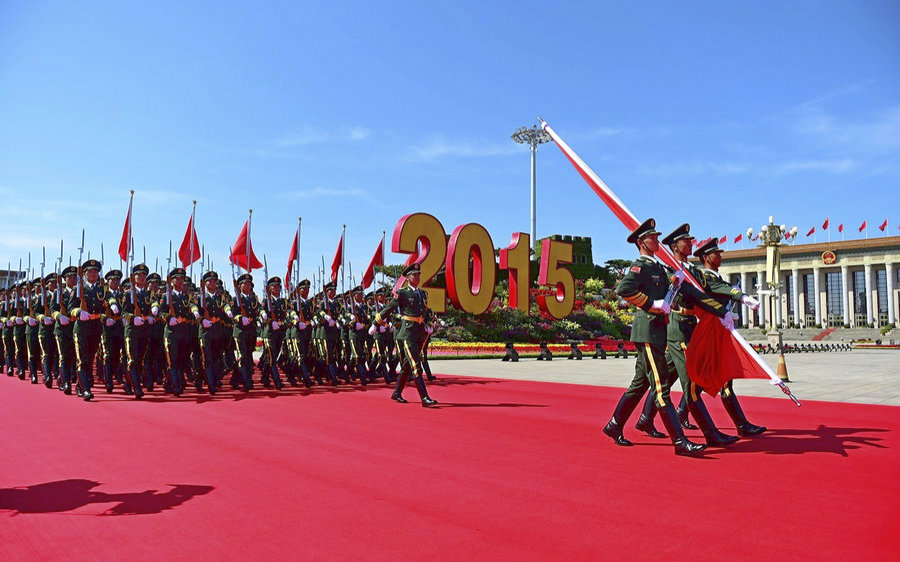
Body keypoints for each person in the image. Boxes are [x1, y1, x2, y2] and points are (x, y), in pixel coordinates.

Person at [602, 219, 728, 456]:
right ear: (641, 242)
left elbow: (690, 292)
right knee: (661, 388)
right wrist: (652, 304)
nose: (656, 240)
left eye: (656, 237)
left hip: (657, 331)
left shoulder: (659, 268)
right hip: (648, 331)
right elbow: (624, 290)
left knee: (639, 384)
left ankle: (614, 425)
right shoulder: (640, 266)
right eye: (652, 237)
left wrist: (722, 311)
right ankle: (679, 442)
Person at [694, 238, 767, 437]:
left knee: (711, 379)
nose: (720, 256)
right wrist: (742, 297)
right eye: (716, 253)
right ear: (705, 257)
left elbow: (725, 289)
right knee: (693, 380)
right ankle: (741, 425)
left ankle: (741, 424)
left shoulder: (717, 278)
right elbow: (723, 291)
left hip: (718, 333)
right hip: (707, 334)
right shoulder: (705, 277)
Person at [375, 263, 438, 407]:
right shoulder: (403, 293)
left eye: (418, 274)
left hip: (419, 331)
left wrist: (428, 324)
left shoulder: (422, 293)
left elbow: (425, 311)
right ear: (408, 278)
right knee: (416, 364)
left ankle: (396, 393)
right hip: (407, 333)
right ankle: (424, 398)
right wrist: (376, 322)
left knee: (406, 366)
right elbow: (389, 308)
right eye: (414, 275)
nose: (417, 277)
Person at [70, 259, 107, 401]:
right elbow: (69, 308)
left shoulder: (101, 289)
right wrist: (78, 312)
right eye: (90, 271)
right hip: (81, 329)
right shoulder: (78, 289)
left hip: (96, 327)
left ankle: (80, 386)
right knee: (81, 360)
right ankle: (86, 389)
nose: (93, 274)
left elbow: (105, 307)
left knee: (89, 359)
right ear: (84, 273)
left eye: (95, 271)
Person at [231, 273, 260, 391]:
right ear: (240, 286)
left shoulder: (254, 299)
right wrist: (240, 318)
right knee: (242, 356)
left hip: (251, 331)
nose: (247, 285)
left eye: (249, 284)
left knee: (248, 356)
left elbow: (256, 312)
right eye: (245, 283)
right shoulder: (236, 299)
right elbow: (233, 314)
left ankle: (235, 379)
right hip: (240, 332)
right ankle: (246, 380)